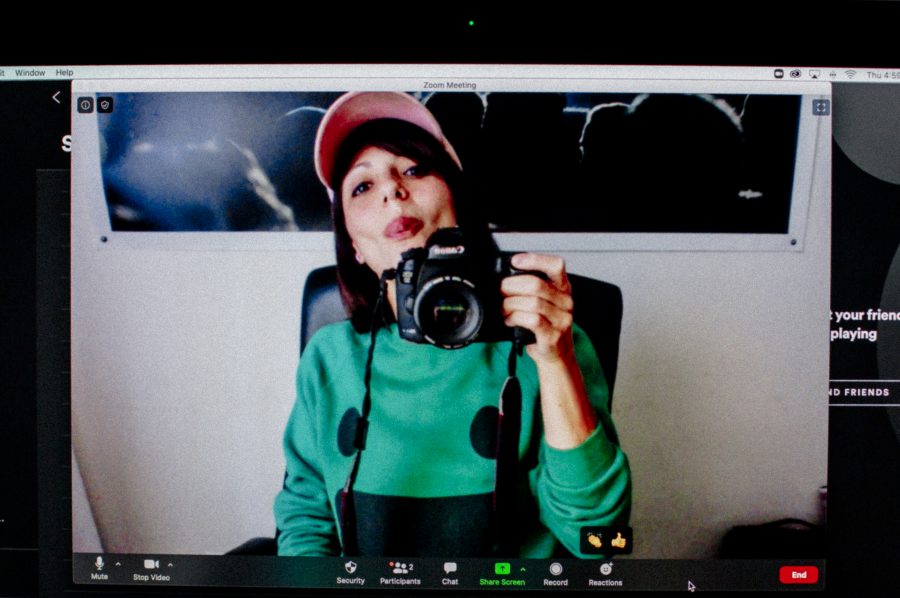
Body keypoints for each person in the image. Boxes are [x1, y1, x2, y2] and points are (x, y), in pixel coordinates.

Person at [274, 91, 630, 557]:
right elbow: (306, 519)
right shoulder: (328, 358)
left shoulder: (548, 341)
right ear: (353, 245)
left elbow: (598, 541)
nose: (392, 190)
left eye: (414, 169)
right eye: (362, 187)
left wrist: (556, 359)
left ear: (456, 198)